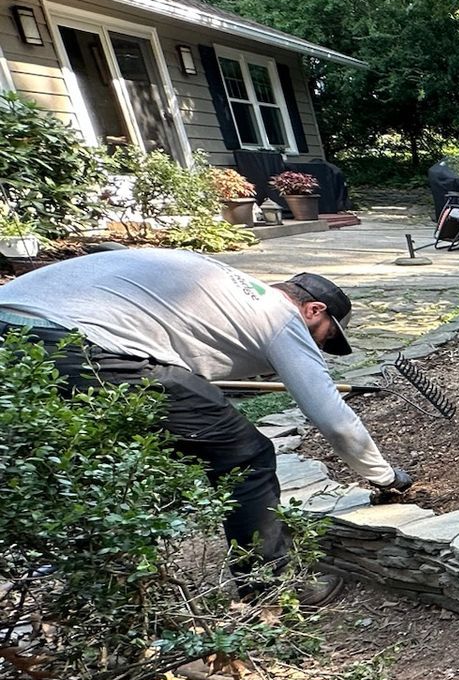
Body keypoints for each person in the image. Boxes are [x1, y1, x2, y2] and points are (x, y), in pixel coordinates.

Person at [0, 248, 412, 605]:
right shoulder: (279, 316)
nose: (321, 346)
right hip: (74, 342)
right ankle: (271, 586)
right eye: (325, 337)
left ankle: (100, 579)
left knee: (96, 459)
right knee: (245, 454)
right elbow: (334, 421)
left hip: (15, 328)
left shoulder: (231, 293)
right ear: (313, 310)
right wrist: (384, 475)